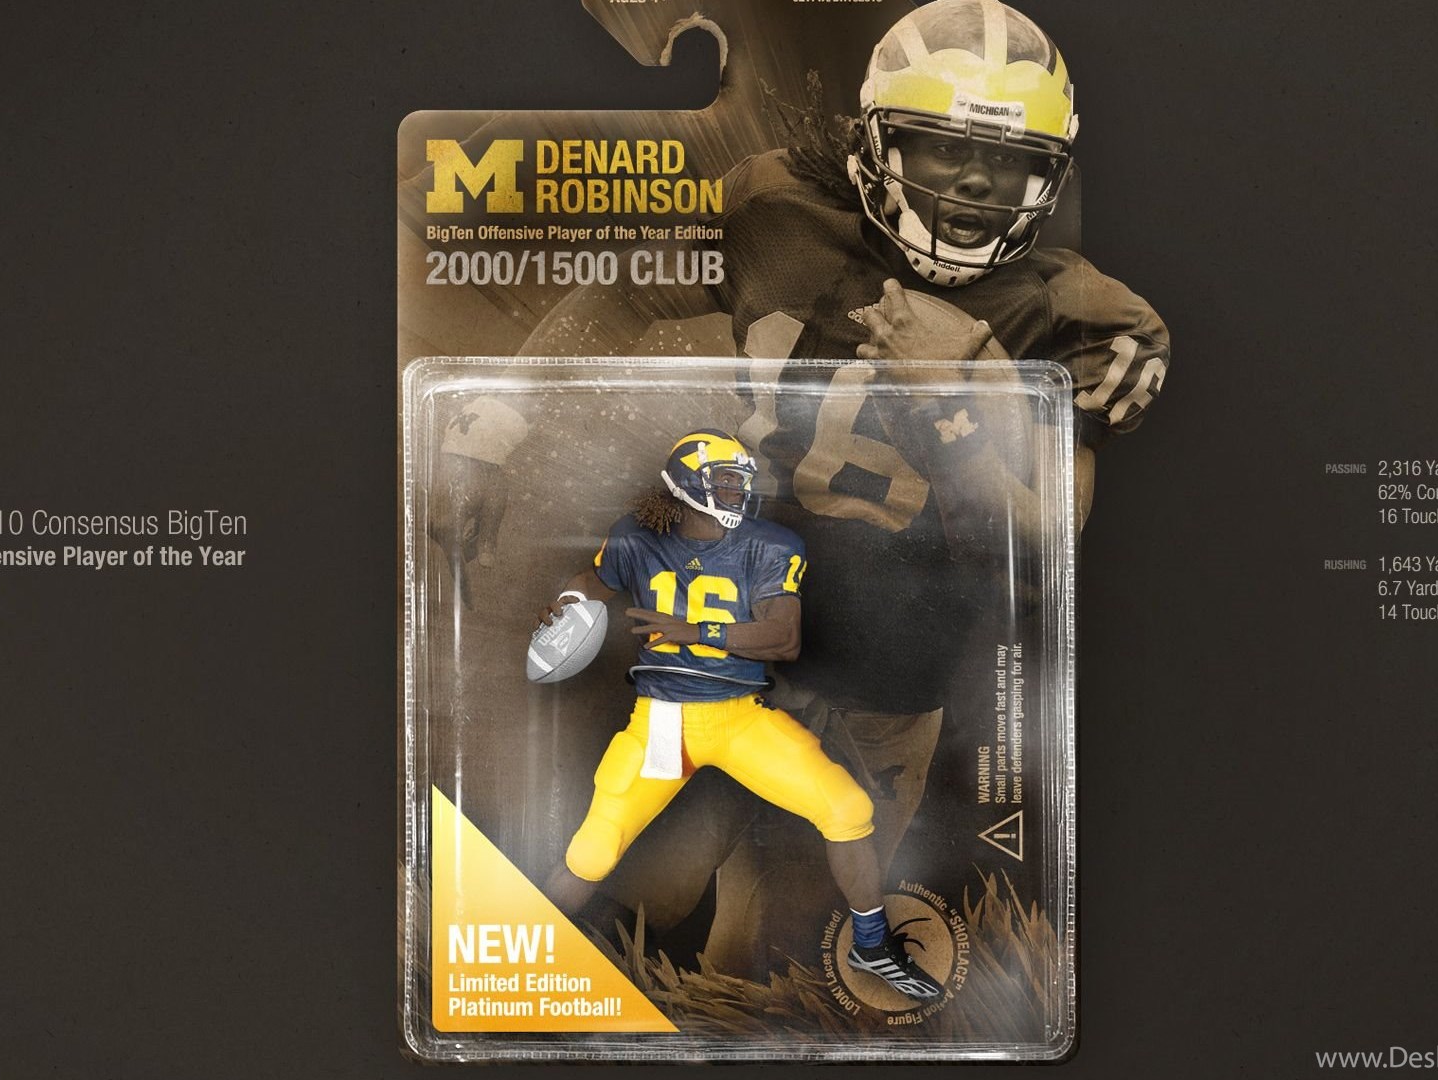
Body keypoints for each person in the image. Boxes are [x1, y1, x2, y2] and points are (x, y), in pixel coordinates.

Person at [442, 0, 1171, 975]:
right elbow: (621, 291)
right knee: (653, 880)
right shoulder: (773, 209)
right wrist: (486, 432)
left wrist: (948, 407)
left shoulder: (1076, 313)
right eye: (943, 148)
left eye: (1008, 162)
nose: (974, 183)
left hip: (900, 655)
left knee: (783, 937)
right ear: (875, 142)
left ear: (1049, 177)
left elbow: (1043, 550)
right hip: (745, 596)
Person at [537, 430, 943, 1000]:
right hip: (667, 722)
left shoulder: (771, 544)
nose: (738, 493)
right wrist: (571, 600)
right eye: (726, 482)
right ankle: (529, 947)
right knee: (598, 847)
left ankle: (871, 945)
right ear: (686, 483)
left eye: (741, 482)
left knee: (848, 809)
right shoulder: (635, 536)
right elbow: (592, 580)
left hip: (741, 717)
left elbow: (783, 639)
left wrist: (695, 630)